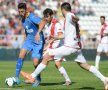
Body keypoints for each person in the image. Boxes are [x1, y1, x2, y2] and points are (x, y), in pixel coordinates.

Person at [21, 2, 108, 90]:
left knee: (46, 56)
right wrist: (54, 37)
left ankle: (32, 76)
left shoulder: (69, 15)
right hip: (76, 47)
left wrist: (76, 18)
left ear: (63, 10)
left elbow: (74, 17)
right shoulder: (68, 21)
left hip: (70, 47)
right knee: (85, 65)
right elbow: (65, 34)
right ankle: (104, 79)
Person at [15, 3, 45, 86]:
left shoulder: (32, 17)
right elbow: (27, 30)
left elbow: (42, 23)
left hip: (38, 41)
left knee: (35, 63)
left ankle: (38, 79)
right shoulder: (22, 19)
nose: (21, 13)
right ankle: (16, 77)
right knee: (21, 55)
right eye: (19, 11)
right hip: (29, 40)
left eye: (22, 11)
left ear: (26, 9)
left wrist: (38, 33)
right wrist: (25, 40)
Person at [43, 8, 71, 85]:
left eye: (47, 16)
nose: (46, 18)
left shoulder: (57, 24)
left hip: (58, 46)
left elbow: (61, 36)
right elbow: (51, 37)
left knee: (44, 60)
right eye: (45, 16)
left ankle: (33, 77)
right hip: (54, 46)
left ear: (51, 16)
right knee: (57, 64)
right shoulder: (48, 25)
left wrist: (49, 45)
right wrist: (48, 41)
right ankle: (68, 80)